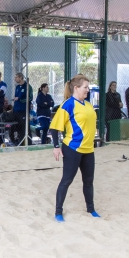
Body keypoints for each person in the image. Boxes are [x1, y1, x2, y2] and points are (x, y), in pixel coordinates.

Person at [50, 74, 98, 222]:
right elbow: (54, 128)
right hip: (73, 149)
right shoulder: (68, 104)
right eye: (85, 87)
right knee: (67, 180)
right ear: (76, 88)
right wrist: (56, 146)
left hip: (88, 149)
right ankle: (58, 212)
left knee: (88, 181)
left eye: (88, 87)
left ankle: (91, 209)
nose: (88, 90)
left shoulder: (88, 105)